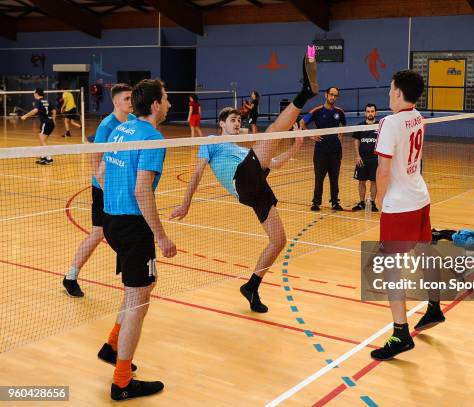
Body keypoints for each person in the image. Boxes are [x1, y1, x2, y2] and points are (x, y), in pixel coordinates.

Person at [171, 53, 318, 314]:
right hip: (242, 182)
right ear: (221, 124)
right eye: (233, 120)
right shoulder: (212, 142)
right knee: (273, 131)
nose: (237, 123)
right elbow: (196, 173)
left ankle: (251, 286)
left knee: (278, 240)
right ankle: (304, 93)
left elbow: (275, 163)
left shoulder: (242, 150)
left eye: (239, 120)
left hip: (257, 184)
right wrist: (185, 203)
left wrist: (296, 145)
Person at [100, 79, 177, 400]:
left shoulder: (123, 129)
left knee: (142, 287)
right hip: (134, 227)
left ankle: (112, 345)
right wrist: (161, 236)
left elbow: (103, 173)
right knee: (138, 302)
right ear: (156, 105)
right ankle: (121, 382)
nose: (170, 103)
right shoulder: (153, 139)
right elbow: (142, 190)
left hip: (111, 220)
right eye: (167, 97)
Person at [369, 70, 444, 361]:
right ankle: (434, 305)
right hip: (420, 197)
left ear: (399, 93)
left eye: (390, 90)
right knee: (425, 251)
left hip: (399, 204)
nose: (388, 94)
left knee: (390, 267)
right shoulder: (418, 117)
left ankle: (400, 333)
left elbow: (384, 168)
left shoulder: (389, 123)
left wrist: (378, 198)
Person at [62, 84, 135, 297]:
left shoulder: (131, 123)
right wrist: (105, 187)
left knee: (124, 229)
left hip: (122, 186)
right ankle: (71, 276)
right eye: (127, 98)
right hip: (104, 188)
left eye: (132, 98)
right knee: (98, 233)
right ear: (115, 102)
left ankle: (129, 275)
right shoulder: (107, 126)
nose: (131, 102)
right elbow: (95, 161)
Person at [300, 87, 346, 211]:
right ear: (326, 95)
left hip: (336, 151)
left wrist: (341, 133)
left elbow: (344, 125)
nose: (333, 97)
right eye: (331, 94)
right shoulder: (317, 111)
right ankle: (316, 202)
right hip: (321, 151)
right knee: (319, 178)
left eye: (335, 95)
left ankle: (335, 202)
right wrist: (311, 135)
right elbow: (302, 123)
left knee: (334, 178)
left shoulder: (339, 112)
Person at [351, 103, 379, 212]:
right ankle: (361, 203)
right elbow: (356, 141)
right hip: (362, 159)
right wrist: (358, 156)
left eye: (372, 111)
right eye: (368, 111)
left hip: (375, 160)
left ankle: (372, 203)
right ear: (365, 113)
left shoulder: (379, 126)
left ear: (375, 113)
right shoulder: (360, 126)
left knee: (374, 182)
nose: (370, 113)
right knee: (361, 181)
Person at [20, 88, 56, 165]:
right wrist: (53, 120)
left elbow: (35, 110)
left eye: (34, 93)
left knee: (42, 140)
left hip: (46, 123)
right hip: (50, 123)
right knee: (42, 139)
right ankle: (43, 157)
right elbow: (54, 111)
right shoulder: (47, 101)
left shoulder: (38, 101)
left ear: (36, 94)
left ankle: (49, 159)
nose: (33, 95)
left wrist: (25, 116)